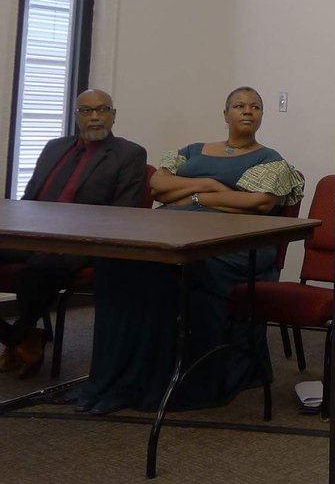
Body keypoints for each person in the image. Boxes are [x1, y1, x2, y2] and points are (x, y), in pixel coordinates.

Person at [75, 86, 303, 415]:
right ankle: (115, 379)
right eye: (239, 105)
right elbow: (158, 186)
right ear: (225, 114)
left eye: (255, 107)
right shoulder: (193, 150)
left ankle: (162, 383)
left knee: (172, 271)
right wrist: (210, 186)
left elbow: (258, 202)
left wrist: (193, 197)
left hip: (234, 246)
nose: (247, 111)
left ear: (262, 116)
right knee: (117, 264)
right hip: (171, 233)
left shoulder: (270, 159)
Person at [0, 89, 147, 378]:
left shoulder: (129, 154)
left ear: (114, 115)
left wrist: (68, 239)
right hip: (32, 234)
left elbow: (124, 213)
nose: (95, 117)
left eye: (102, 109)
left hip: (78, 243)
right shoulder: (54, 147)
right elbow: (29, 197)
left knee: (36, 274)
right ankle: (23, 337)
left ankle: (17, 337)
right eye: (86, 111)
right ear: (76, 116)